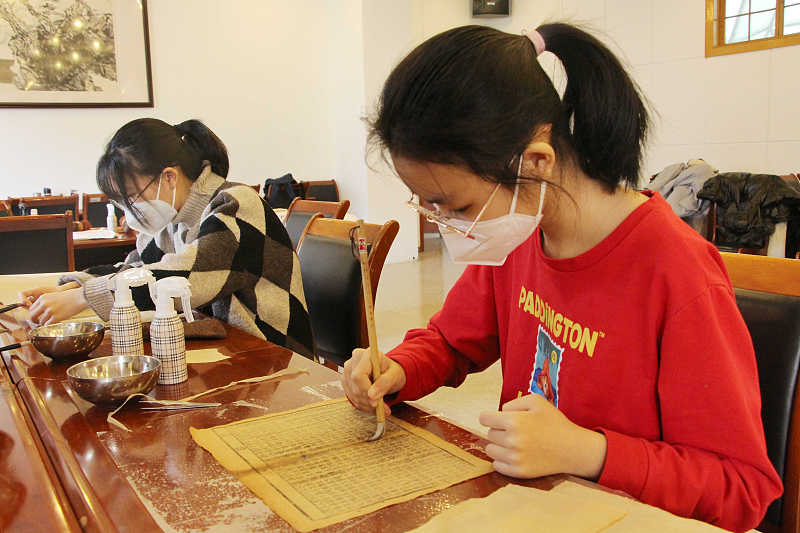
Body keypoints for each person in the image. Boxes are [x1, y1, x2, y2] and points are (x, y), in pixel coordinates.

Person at [341, 23, 781, 532]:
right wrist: (397, 368)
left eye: (456, 206)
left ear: (536, 161)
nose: (449, 227)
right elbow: (451, 341)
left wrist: (589, 452)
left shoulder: (676, 274)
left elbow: (741, 489)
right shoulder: (521, 232)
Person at [21, 118, 313, 356]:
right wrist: (69, 288)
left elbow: (185, 276)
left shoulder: (237, 204)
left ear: (169, 178)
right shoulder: (174, 219)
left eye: (133, 197)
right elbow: (134, 270)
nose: (130, 211)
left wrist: (83, 297)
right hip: (229, 349)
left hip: (278, 359)